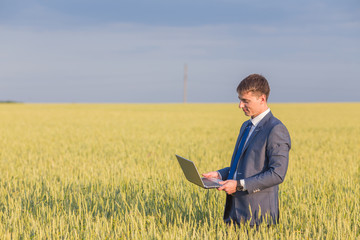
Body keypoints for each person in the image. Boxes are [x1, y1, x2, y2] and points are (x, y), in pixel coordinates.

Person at [203, 74, 291, 227]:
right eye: (240, 99)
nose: (240, 105)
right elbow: (245, 166)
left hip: (258, 215)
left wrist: (238, 184)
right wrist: (219, 174)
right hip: (234, 211)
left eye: (245, 101)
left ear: (262, 99)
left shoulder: (276, 129)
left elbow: (277, 174)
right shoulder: (246, 126)